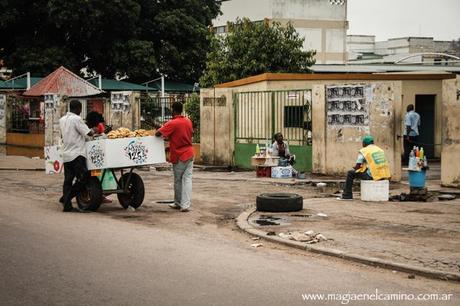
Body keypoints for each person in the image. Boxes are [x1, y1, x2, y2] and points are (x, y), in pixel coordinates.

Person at [155, 102, 194, 212]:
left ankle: (178, 203)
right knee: (187, 179)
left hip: (179, 155)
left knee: (178, 180)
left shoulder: (173, 123)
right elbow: (188, 134)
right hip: (190, 153)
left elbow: (158, 134)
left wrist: (163, 128)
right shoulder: (188, 121)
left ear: (173, 110)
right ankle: (185, 205)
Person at [59, 100, 97, 212]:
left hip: (66, 154)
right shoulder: (76, 119)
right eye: (80, 109)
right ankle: (67, 198)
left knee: (68, 180)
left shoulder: (62, 120)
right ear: (78, 108)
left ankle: (67, 205)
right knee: (84, 177)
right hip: (77, 154)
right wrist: (94, 130)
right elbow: (88, 133)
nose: (81, 111)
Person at [338, 135, 391, 200]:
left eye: (363, 143)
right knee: (364, 170)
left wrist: (355, 168)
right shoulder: (380, 150)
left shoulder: (365, 150)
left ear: (365, 143)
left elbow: (358, 165)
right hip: (383, 175)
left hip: (372, 176)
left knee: (350, 173)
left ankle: (347, 195)